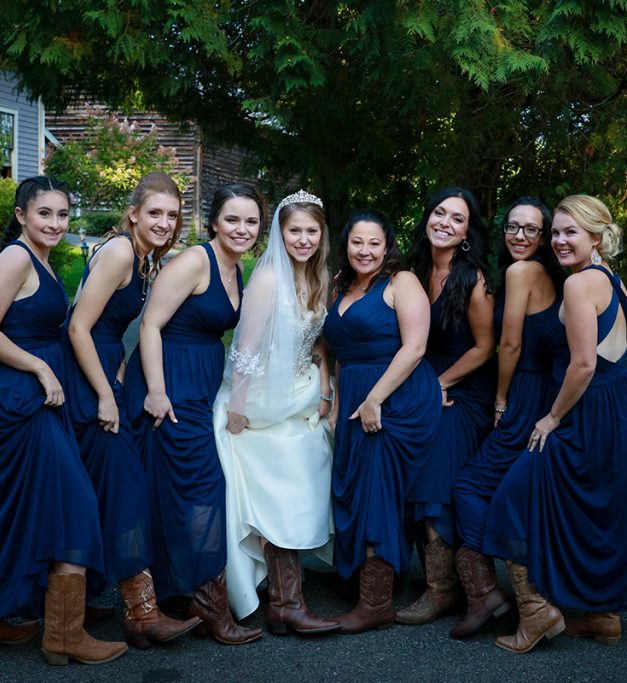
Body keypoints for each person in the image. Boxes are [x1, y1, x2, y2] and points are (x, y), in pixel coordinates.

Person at [0, 176, 126, 665]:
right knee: (71, 501)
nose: (55, 223)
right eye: (45, 214)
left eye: (62, 214)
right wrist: (38, 366)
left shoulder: (46, 260)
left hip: (31, 395)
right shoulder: (15, 257)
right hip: (13, 397)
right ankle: (62, 634)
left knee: (14, 510)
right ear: (21, 215)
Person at [482, 194, 627, 653]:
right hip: (621, 406)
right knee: (601, 509)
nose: (558, 240)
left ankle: (535, 613)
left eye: (570, 232)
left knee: (514, 494)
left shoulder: (578, 286)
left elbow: (583, 365)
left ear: (597, 236)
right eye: (555, 232)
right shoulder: (613, 279)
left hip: (588, 408)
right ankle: (604, 616)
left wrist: (551, 417)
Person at [123, 183, 266, 646]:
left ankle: (170, 595)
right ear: (213, 223)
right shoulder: (194, 261)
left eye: (250, 221)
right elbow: (150, 324)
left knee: (172, 488)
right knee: (203, 487)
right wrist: (157, 392)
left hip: (202, 383)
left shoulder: (236, 268)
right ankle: (212, 608)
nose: (241, 229)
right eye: (232, 219)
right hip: (171, 384)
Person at [64, 172, 201, 647]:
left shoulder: (147, 258)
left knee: (110, 486)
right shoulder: (122, 251)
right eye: (155, 213)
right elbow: (78, 326)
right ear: (134, 213)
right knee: (122, 484)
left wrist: (120, 367)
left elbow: (112, 325)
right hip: (84, 376)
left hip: (103, 368)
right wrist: (105, 392)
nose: (164, 222)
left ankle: (109, 605)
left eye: (172, 214)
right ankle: (140, 611)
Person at [212, 190, 337, 635]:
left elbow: (317, 339)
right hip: (260, 397)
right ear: (279, 234)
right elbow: (245, 349)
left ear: (321, 235)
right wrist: (239, 409)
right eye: (294, 230)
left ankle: (288, 597)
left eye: (311, 231)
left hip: (301, 391)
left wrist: (324, 386)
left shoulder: (319, 277)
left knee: (307, 479)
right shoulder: (267, 279)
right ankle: (287, 602)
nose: (302, 239)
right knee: (276, 487)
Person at [449, 197, 565, 639]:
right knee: (508, 489)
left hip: (526, 395)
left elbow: (510, 346)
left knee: (471, 485)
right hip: (544, 392)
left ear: (544, 235)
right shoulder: (549, 274)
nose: (519, 236)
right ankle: (512, 596)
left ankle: (524, 601)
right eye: (512, 227)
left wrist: (500, 401)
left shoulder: (521, 272)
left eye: (531, 229)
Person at [322, 210, 442, 633]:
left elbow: (415, 347)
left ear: (386, 245)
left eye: (374, 243)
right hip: (356, 394)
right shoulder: (340, 285)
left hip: (396, 396)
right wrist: (337, 403)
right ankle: (363, 578)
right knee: (353, 483)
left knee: (375, 486)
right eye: (357, 242)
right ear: (346, 244)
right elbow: (336, 351)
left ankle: (376, 602)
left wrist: (375, 399)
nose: (365, 250)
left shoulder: (401, 282)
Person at [397, 187, 495, 625]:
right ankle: (449, 583)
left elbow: (486, 346)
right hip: (422, 383)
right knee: (408, 466)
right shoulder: (412, 270)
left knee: (436, 474)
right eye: (439, 213)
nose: (445, 223)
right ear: (427, 217)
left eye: (457, 219)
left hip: (463, 388)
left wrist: (438, 383)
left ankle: (445, 591)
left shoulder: (472, 278)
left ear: (467, 231)